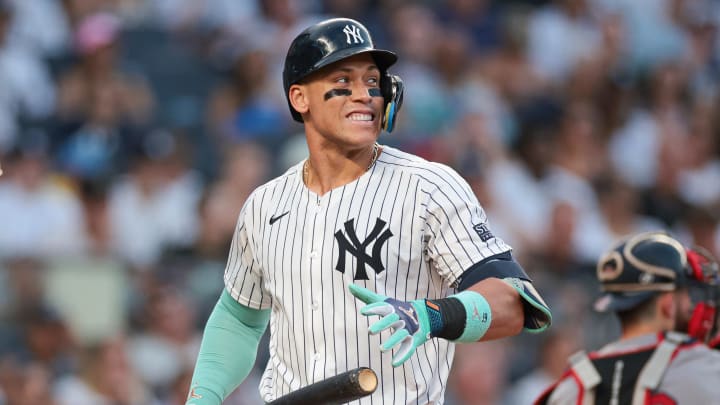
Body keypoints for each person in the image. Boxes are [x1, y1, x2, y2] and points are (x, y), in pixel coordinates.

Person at [185, 17, 551, 405]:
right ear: (299, 98)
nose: (364, 95)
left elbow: (514, 302)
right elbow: (240, 317)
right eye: (343, 83)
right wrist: (203, 396)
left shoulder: (429, 187)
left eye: (373, 82)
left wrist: (433, 314)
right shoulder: (265, 204)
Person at [535, 231, 720, 405]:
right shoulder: (703, 367)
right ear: (668, 304)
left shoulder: (572, 386)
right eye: (688, 295)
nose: (692, 304)